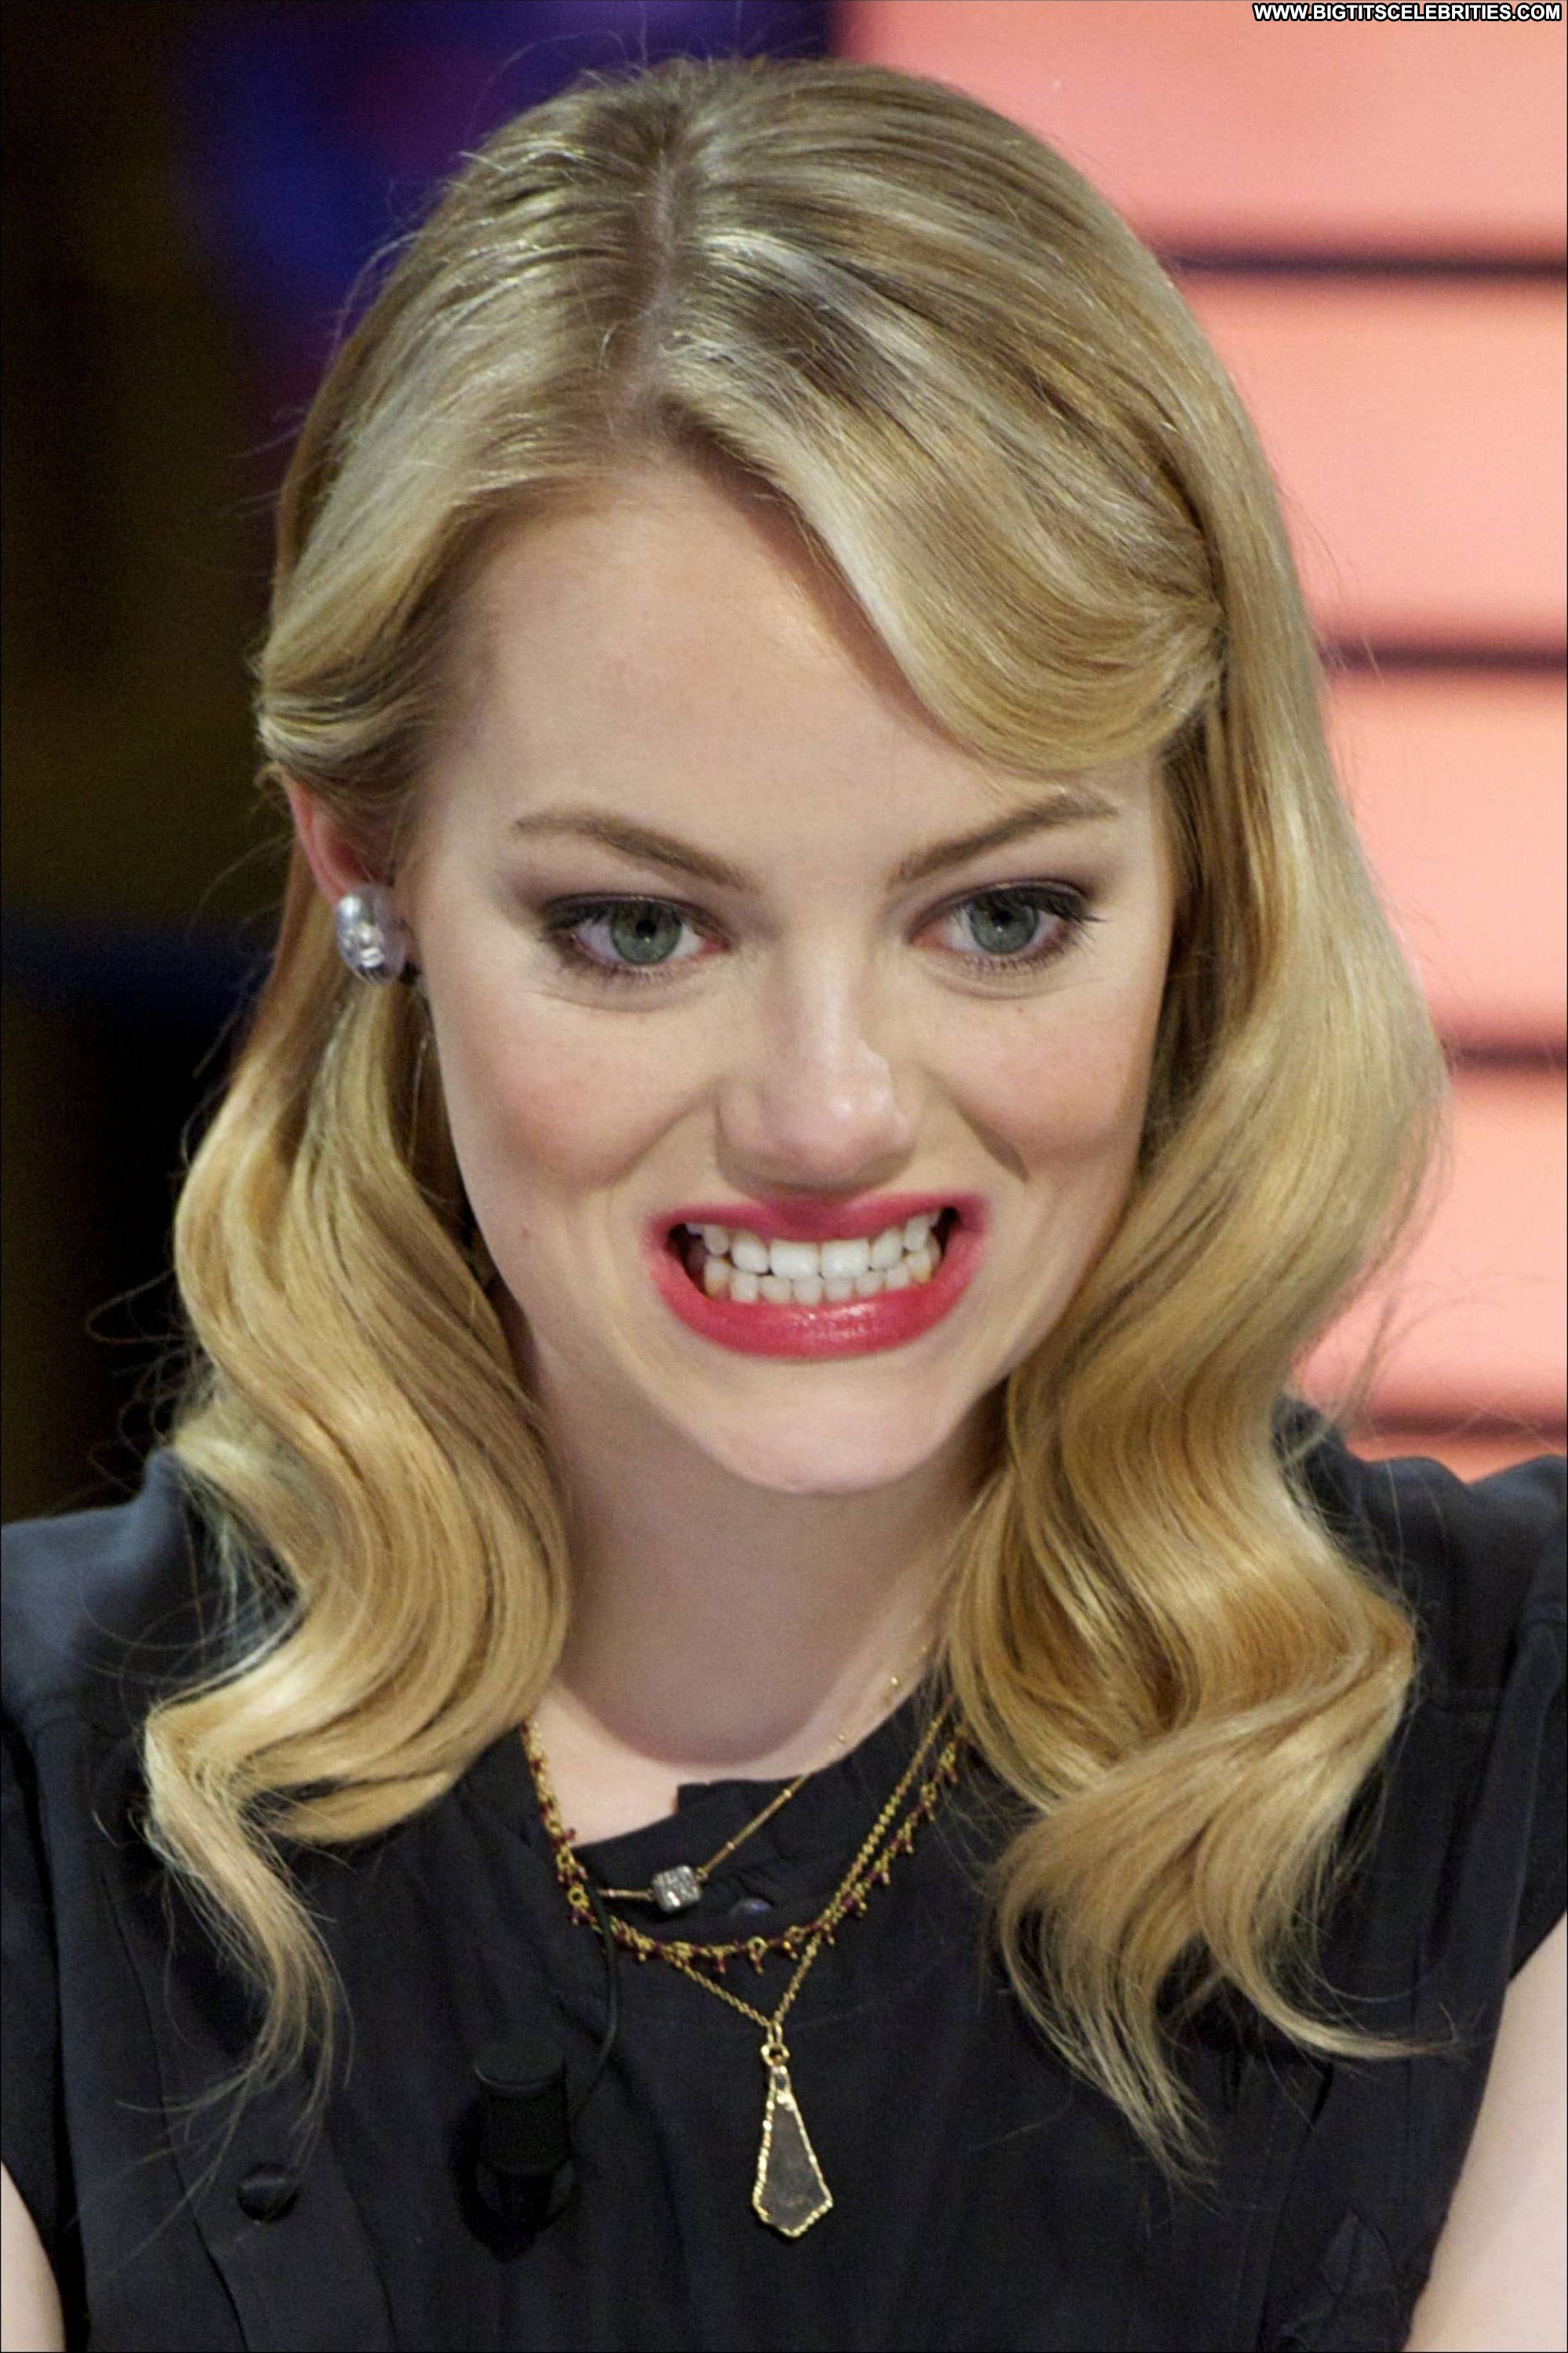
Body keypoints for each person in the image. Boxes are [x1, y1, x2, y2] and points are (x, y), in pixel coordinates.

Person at [2, 51, 1563, 2353]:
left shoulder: (1522, 1752)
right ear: (368, 868)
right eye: (641, 927)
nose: (829, 1113)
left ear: (1204, 890)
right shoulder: (40, 1810)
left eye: (1001, 916)